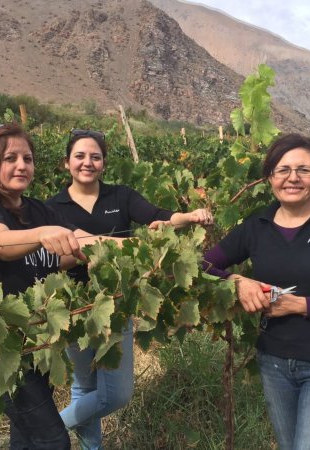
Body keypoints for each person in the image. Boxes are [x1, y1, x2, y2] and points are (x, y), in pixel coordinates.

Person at [203, 133, 310, 450]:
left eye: (304, 170)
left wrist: (300, 305)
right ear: (269, 176)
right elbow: (201, 265)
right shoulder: (256, 225)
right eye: (282, 169)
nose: (293, 178)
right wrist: (237, 281)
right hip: (273, 363)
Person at [46, 129, 213, 449]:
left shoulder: (120, 197)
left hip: (117, 303)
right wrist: (128, 246)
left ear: (104, 163)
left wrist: (190, 216)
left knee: (117, 394)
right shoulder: (53, 207)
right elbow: (59, 257)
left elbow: (158, 219)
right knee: (84, 386)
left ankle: (46, 432)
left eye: (95, 156)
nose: (87, 162)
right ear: (66, 162)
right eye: (79, 156)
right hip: (74, 308)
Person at [0, 123, 116, 449]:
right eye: (10, 158)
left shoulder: (36, 210)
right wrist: (40, 235)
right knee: (53, 441)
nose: (21, 166)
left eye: (27, 158)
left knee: (26, 438)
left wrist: (129, 247)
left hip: (32, 340)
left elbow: (79, 242)